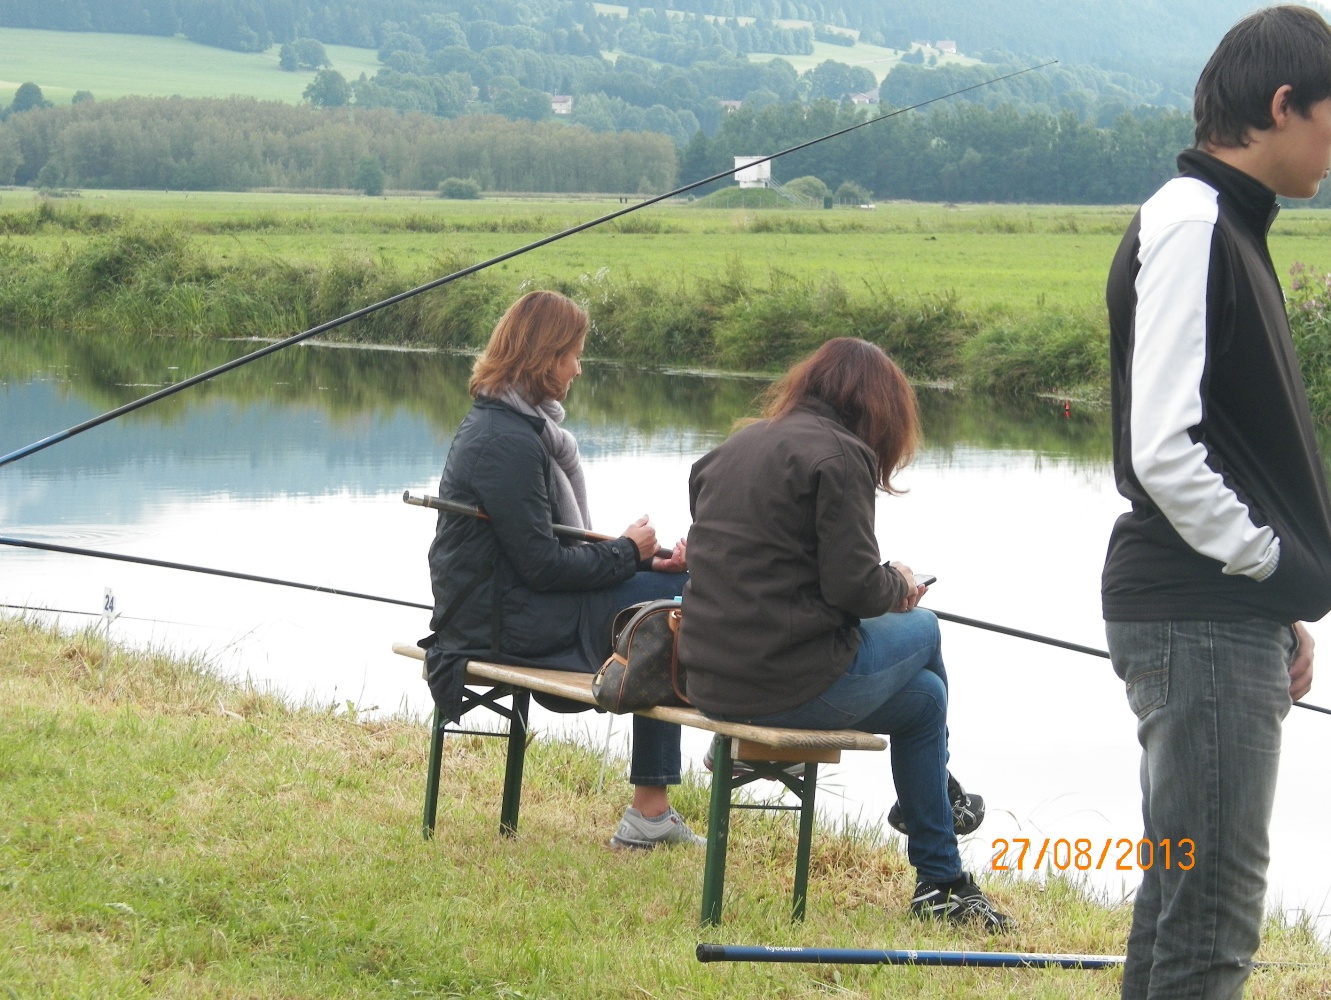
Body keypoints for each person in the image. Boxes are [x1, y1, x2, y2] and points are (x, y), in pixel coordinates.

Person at [1102, 7, 1331, 995]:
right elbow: (1164, 450)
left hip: (1214, 613)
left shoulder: (1223, 222)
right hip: (1195, 615)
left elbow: (1229, 445)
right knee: (1211, 928)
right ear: (1281, 105)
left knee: (1176, 908)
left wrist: (1274, 607)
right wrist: (1266, 565)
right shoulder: (1194, 222)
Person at [677, 337, 1012, 932]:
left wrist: (876, 586)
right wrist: (899, 582)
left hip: (709, 679)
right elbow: (854, 589)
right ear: (880, 408)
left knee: (925, 701)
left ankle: (940, 880)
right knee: (926, 628)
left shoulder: (734, 447)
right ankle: (940, 795)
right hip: (783, 682)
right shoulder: (841, 456)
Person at [421, 290, 703, 850]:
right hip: (503, 625)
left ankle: (652, 808)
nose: (578, 368)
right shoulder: (507, 442)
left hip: (513, 606)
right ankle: (667, 794)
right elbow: (543, 565)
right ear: (544, 357)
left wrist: (643, 558)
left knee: (672, 588)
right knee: (672, 609)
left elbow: (544, 548)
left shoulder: (509, 426)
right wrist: (626, 553)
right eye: (573, 354)